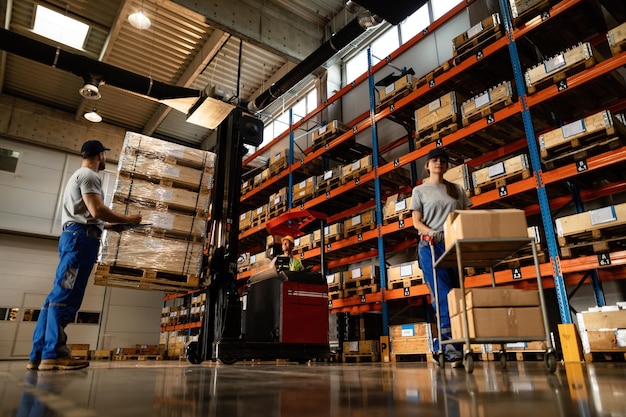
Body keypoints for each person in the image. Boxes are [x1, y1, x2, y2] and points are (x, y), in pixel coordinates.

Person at [28, 140, 142, 371]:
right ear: (100, 155)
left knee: (54, 297)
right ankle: (54, 353)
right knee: (66, 294)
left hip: (75, 237)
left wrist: (108, 227)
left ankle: (38, 355)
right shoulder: (90, 176)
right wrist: (128, 219)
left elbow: (85, 215)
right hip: (80, 243)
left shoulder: (77, 176)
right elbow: (96, 210)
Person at [409, 147, 472, 368]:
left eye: (443, 161)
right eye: (434, 160)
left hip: (454, 245)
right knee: (443, 296)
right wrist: (431, 231)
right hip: (431, 245)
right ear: (427, 165)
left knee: (457, 296)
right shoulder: (420, 191)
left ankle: (449, 347)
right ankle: (450, 349)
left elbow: (466, 215)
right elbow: (416, 222)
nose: (439, 163)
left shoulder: (456, 189)